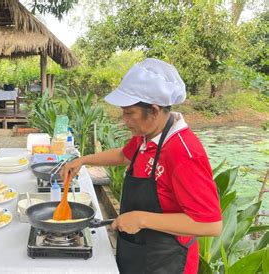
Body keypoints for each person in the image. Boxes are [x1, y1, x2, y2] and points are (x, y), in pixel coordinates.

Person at [62, 58, 222, 274]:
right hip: (138, 250)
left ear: (154, 110)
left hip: (167, 260)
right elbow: (122, 155)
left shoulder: (184, 153)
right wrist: (82, 160)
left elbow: (210, 225)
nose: (124, 120)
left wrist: (141, 219)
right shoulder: (148, 134)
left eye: (129, 113)